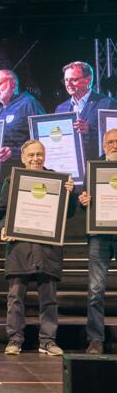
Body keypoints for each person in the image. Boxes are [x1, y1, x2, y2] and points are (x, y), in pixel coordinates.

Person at [0, 140, 75, 356]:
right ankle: (15, 340)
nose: (35, 159)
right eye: (31, 155)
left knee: (49, 299)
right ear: (22, 158)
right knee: (15, 298)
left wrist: (70, 195)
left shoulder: (58, 181)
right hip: (19, 248)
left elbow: (68, 213)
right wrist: (3, 227)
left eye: (39, 154)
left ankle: (47, 341)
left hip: (47, 249)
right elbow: (0, 211)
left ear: (45, 156)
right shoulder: (12, 180)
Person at [78, 128, 117, 354]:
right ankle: (95, 339)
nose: (114, 145)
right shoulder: (94, 168)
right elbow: (85, 196)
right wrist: (84, 198)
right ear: (103, 146)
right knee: (95, 290)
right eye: (110, 142)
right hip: (99, 236)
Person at [56, 61, 117, 160]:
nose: (69, 84)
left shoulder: (108, 104)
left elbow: (114, 140)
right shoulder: (61, 108)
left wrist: (89, 131)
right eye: (66, 80)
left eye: (73, 80)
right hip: (70, 167)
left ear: (88, 80)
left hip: (97, 166)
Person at [0, 69, 45, 163]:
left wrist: (14, 152)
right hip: (0, 169)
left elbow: (43, 137)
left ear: (13, 84)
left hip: (22, 168)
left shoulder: (28, 103)